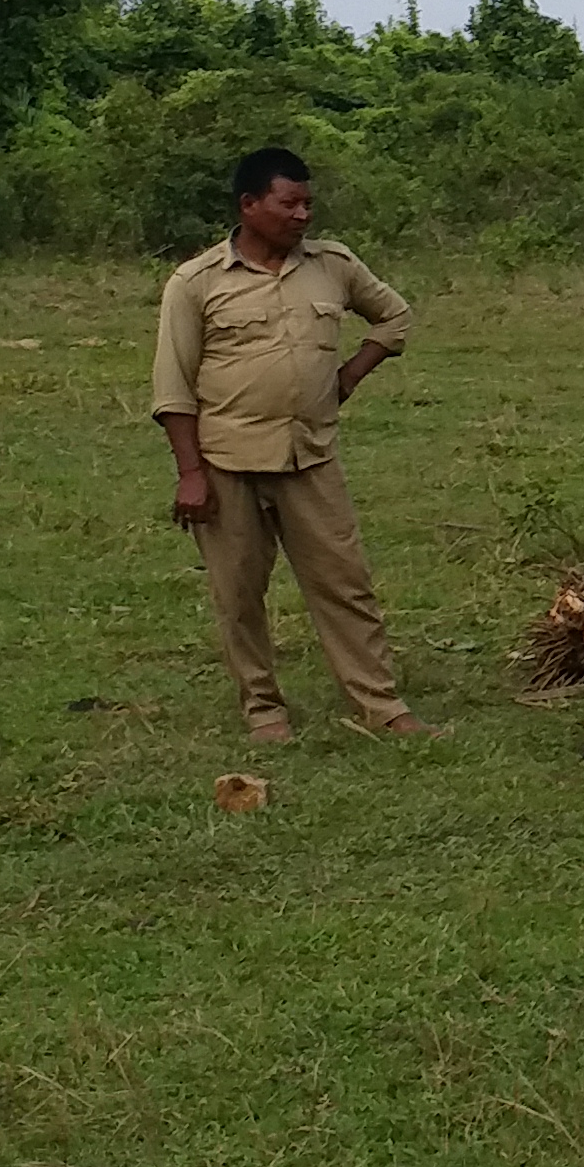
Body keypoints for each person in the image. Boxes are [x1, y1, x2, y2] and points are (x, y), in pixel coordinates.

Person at [150, 146, 424, 742]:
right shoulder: (195, 284)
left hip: (311, 455)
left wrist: (349, 375)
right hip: (226, 461)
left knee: (345, 584)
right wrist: (190, 473)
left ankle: (380, 704)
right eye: (288, 203)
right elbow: (173, 388)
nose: (302, 216)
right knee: (239, 592)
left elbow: (393, 317)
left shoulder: (333, 265)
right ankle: (263, 708)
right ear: (249, 206)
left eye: (308, 204)